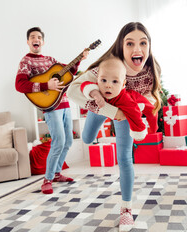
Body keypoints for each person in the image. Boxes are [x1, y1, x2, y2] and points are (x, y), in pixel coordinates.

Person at [67, 22, 161, 231]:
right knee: (87, 138)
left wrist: (139, 110)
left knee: (125, 158)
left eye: (143, 43)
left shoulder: (151, 70)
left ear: (149, 46)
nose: (137, 49)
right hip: (102, 106)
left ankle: (126, 210)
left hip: (125, 113)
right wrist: (110, 111)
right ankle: (98, 122)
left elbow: (148, 97)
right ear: (121, 46)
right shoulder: (110, 65)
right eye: (130, 44)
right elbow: (71, 91)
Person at [15, 27, 89, 194]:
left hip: (64, 103)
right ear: (28, 42)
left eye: (39, 37)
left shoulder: (50, 60)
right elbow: (20, 85)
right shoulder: (26, 61)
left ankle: (56, 174)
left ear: (43, 42)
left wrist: (80, 59)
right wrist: (46, 85)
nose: (36, 39)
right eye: (33, 37)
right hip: (51, 107)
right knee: (59, 141)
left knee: (68, 141)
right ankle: (47, 179)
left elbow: (68, 72)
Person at [80, 56, 158, 141]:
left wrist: (139, 130)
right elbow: (85, 85)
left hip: (125, 108)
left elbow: (135, 114)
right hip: (100, 108)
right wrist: (95, 94)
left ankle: (154, 128)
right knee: (87, 138)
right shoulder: (97, 87)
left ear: (123, 83)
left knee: (151, 111)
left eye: (115, 81)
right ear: (97, 78)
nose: (108, 85)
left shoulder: (125, 99)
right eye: (104, 80)